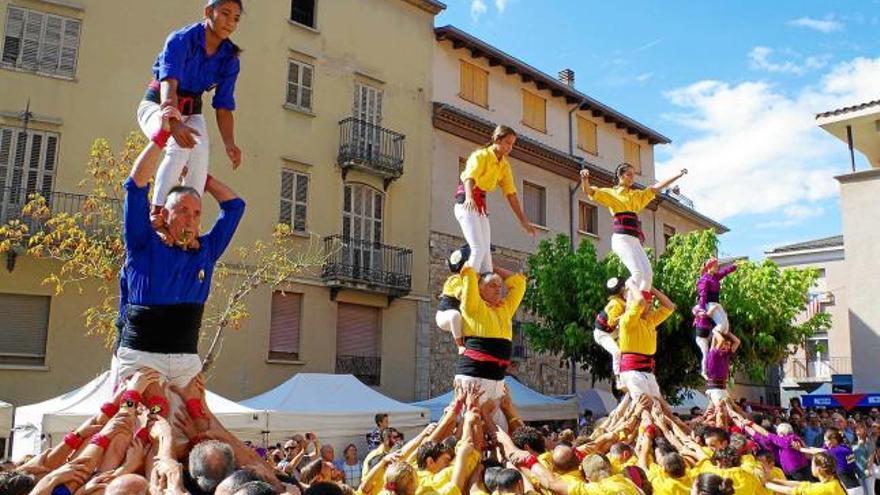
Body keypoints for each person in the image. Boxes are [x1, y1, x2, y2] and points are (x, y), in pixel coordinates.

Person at [111, 132, 245, 397]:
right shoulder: (143, 242)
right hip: (142, 356)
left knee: (197, 429)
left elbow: (234, 206)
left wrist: (202, 177)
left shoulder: (206, 251)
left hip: (186, 359)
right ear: (163, 214)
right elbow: (135, 186)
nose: (191, 220)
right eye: (183, 210)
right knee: (143, 428)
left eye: (196, 213)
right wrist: (161, 136)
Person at [138, 0, 244, 244]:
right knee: (178, 147)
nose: (230, 21)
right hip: (158, 105)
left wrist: (230, 143)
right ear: (208, 12)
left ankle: (191, 222)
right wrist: (172, 121)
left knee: (200, 152)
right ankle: (158, 213)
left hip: (191, 110)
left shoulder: (230, 58)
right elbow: (169, 83)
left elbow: (224, 105)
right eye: (225, 13)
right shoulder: (181, 40)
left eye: (236, 18)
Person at [579, 164, 687, 297]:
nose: (632, 178)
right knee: (637, 273)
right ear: (620, 176)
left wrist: (678, 174)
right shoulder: (611, 193)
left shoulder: (637, 195)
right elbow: (588, 190)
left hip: (635, 240)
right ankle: (625, 299)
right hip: (622, 239)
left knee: (647, 275)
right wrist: (584, 178)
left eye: (633, 175)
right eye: (628, 174)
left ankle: (641, 307)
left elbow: (657, 187)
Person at [456, 263, 527, 432]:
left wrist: (493, 267)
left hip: (498, 378)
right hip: (476, 376)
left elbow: (519, 285)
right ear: (479, 289)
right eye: (492, 285)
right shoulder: (473, 305)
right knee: (471, 429)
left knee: (500, 430)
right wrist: (480, 265)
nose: (498, 289)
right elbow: (470, 274)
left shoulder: (505, 308)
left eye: (500, 286)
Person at [456, 125, 536, 274]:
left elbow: (511, 194)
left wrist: (523, 220)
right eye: (507, 143)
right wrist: (469, 197)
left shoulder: (504, 165)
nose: (509, 148)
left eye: (512, 144)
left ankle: (484, 285)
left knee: (486, 252)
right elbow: (469, 177)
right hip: (466, 202)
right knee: (478, 248)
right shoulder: (481, 156)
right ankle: (468, 287)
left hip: (480, 206)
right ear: (496, 139)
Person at [616, 283, 676, 397]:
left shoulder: (650, 320)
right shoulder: (627, 320)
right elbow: (640, 302)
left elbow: (670, 307)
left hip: (647, 369)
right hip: (632, 369)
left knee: (656, 403)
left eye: (651, 303)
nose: (651, 306)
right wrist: (631, 284)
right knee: (644, 403)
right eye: (649, 303)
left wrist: (652, 289)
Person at [694, 258, 738, 377]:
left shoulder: (715, 277)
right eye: (716, 265)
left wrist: (734, 267)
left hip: (716, 304)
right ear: (710, 266)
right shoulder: (705, 279)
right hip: (710, 304)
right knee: (720, 327)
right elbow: (703, 295)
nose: (718, 267)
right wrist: (703, 309)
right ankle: (715, 331)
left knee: (726, 326)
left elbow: (724, 272)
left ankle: (717, 332)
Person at [799, 428, 862, 494]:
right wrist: (804, 447)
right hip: (852, 487)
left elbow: (819, 451)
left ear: (834, 440)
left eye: (826, 441)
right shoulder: (841, 446)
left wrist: (800, 449)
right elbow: (816, 450)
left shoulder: (839, 450)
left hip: (851, 489)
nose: (825, 443)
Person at [436, 245, 470, 354]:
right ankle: (460, 345)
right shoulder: (456, 279)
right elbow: (460, 294)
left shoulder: (466, 279)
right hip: (444, 315)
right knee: (455, 315)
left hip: (458, 316)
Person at [593, 277, 627, 382]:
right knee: (617, 352)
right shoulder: (617, 304)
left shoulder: (620, 301)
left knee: (627, 348)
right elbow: (611, 322)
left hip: (610, 331)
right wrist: (626, 316)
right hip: (603, 334)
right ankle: (618, 378)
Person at [765, 452, 846, 495]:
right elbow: (803, 484)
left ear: (819, 469)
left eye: (812, 464)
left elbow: (793, 491)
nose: (811, 466)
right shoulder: (832, 481)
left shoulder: (826, 488)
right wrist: (774, 480)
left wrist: (766, 484)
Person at [704, 332, 739, 410]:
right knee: (723, 410)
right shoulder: (714, 354)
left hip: (722, 388)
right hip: (715, 389)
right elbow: (721, 340)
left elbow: (737, 342)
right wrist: (715, 331)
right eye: (725, 344)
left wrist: (728, 333)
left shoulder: (726, 355)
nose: (728, 347)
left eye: (729, 345)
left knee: (732, 409)